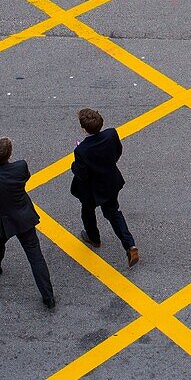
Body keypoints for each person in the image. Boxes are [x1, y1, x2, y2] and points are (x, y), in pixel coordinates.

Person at [0, 137, 55, 309]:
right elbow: (25, 179)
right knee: (35, 256)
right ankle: (48, 297)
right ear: (9, 154)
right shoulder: (20, 167)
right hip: (23, 217)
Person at [71, 108, 139, 268]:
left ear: (84, 128)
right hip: (109, 183)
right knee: (114, 213)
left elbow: (82, 174)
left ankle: (94, 238)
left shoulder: (81, 150)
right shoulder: (111, 134)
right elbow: (118, 152)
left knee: (87, 211)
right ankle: (130, 245)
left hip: (91, 189)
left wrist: (73, 165)